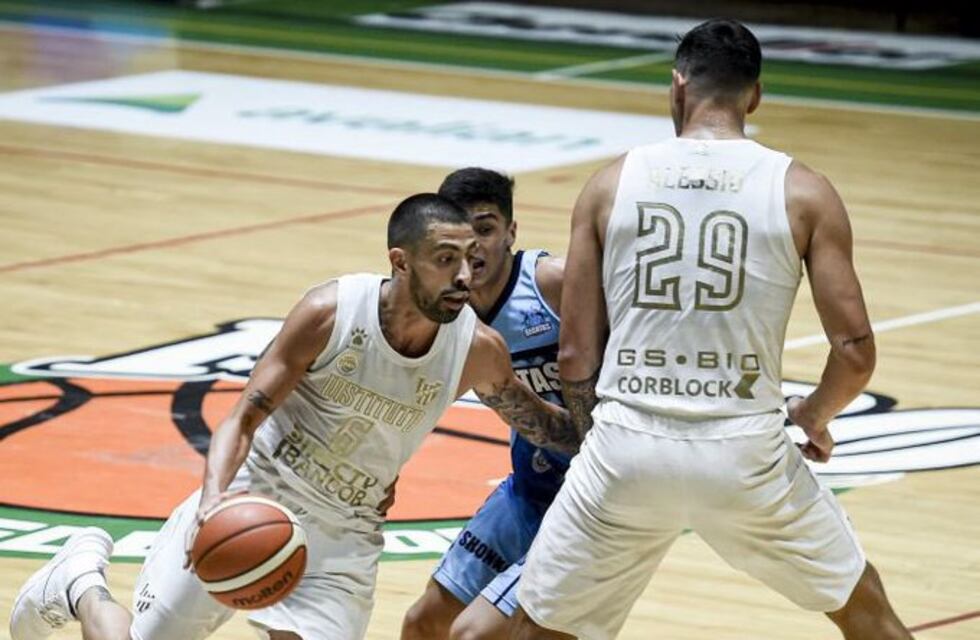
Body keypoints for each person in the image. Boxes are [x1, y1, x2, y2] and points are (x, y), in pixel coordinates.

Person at [9, 193, 579, 640]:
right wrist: (213, 501)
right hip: (254, 500)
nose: (464, 276)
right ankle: (81, 582)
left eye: (470, 260)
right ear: (401, 263)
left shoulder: (477, 349)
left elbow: (546, 428)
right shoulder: (330, 313)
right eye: (446, 260)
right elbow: (242, 417)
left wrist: (615, 426)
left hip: (346, 536)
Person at [511, 19, 914, 640]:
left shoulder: (608, 184)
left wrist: (606, 445)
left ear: (677, 87)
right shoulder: (804, 190)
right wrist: (811, 417)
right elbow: (855, 351)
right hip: (745, 454)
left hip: (626, 447)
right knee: (868, 615)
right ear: (755, 96)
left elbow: (576, 351)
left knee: (538, 630)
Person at [401, 169, 568, 640]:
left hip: (591, 498)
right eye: (462, 233)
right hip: (530, 490)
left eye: (487, 229)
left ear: (511, 233)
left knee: (476, 635)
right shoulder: (447, 313)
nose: (474, 246)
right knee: (423, 623)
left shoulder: (553, 283)